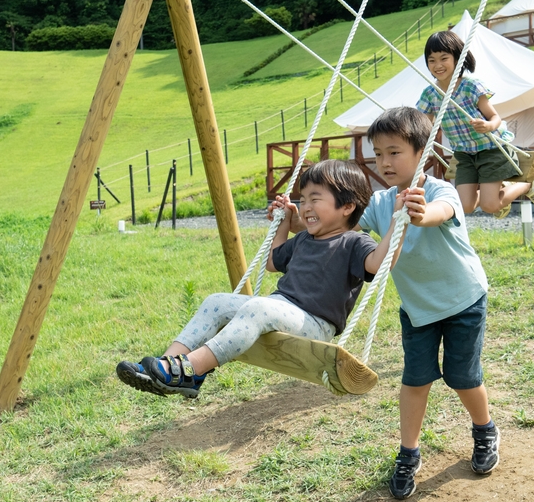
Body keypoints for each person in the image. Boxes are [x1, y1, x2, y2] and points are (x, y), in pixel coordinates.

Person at [115, 160, 395, 399]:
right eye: (303, 199)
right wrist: (284, 222)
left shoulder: (354, 242)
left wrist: (398, 224)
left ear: (347, 206)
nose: (306, 206)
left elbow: (377, 264)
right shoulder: (304, 240)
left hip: (315, 324)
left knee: (259, 307)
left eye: (315, 199)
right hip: (281, 310)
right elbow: (273, 263)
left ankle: (190, 370)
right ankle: (166, 365)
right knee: (215, 302)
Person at [361, 107, 499, 499]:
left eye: (394, 152)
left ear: (421, 153)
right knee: (415, 379)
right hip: (418, 309)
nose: (384, 162)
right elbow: (343, 221)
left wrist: (419, 215)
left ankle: (485, 429)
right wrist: (299, 217)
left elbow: (442, 212)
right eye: (378, 154)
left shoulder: (440, 191)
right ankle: (408, 454)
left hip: (463, 301)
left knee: (462, 376)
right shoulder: (380, 202)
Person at [417, 30, 534, 219]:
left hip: (491, 149)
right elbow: (423, 125)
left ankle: (528, 184)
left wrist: (488, 126)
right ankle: (498, 192)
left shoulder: (471, 87)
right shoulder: (430, 94)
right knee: (465, 206)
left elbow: (495, 117)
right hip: (464, 155)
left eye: (443, 58)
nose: (437, 65)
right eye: (431, 60)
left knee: (490, 206)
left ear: (458, 58)